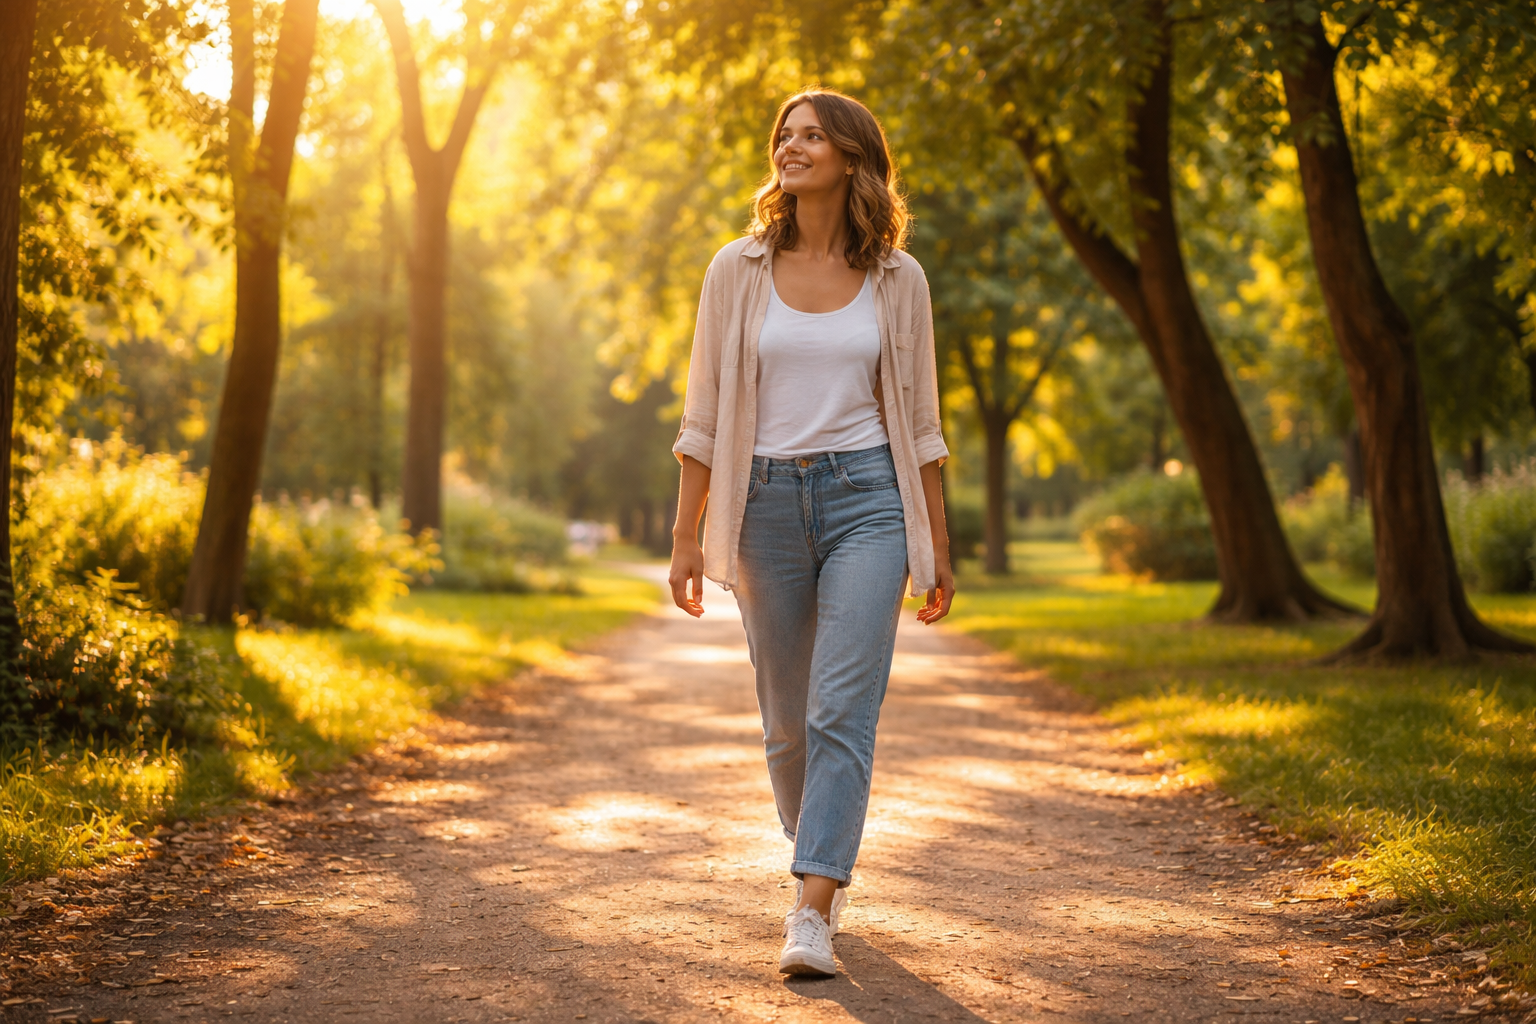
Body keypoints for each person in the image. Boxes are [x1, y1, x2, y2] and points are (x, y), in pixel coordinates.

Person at [667, 89, 954, 978]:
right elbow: (705, 415)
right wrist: (686, 535)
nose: (792, 148)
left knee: (841, 709)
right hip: (762, 509)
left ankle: (812, 903)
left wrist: (934, 543)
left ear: (852, 157)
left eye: (813, 136)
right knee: (788, 725)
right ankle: (819, 837)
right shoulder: (736, 269)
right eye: (784, 136)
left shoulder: (898, 280)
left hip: (868, 496)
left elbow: (922, 425)